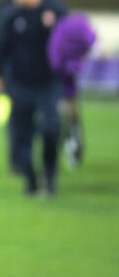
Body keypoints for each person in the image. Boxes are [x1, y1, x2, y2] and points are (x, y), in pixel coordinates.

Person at [0, 0, 67, 196]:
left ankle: (50, 175)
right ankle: (30, 178)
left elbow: (68, 46)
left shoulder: (55, 9)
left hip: (49, 82)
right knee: (20, 134)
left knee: (51, 128)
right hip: (19, 82)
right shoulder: (9, 12)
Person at [47, 12, 96, 169]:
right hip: (65, 78)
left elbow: (55, 60)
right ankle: (71, 141)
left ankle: (70, 142)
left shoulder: (60, 33)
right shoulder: (73, 29)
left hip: (60, 80)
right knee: (69, 112)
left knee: (63, 114)